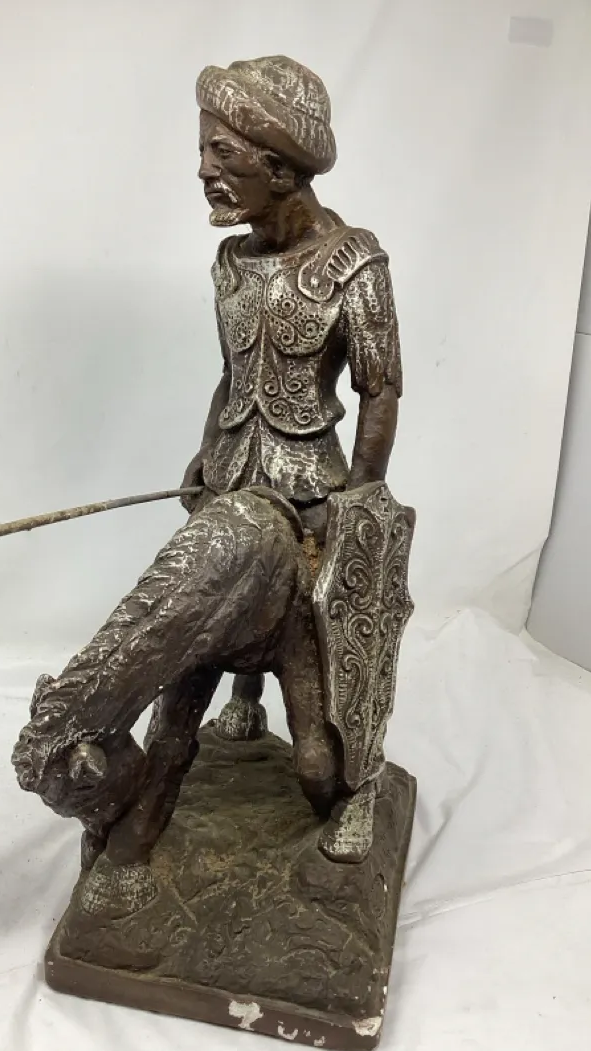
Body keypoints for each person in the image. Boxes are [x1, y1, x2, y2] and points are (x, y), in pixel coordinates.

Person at [182, 56, 403, 735]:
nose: (203, 170)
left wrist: (358, 501)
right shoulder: (231, 264)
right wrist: (205, 450)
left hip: (311, 484)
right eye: (203, 151)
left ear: (278, 168)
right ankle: (241, 701)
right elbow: (232, 372)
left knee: (307, 617)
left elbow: (380, 391)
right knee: (210, 598)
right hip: (231, 469)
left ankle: (333, 750)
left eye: (222, 152)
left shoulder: (354, 262)